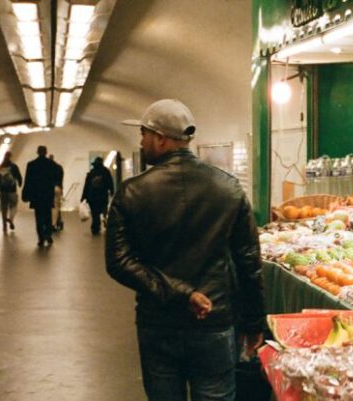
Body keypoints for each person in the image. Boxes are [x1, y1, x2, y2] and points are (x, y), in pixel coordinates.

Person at [106, 99, 265, 401]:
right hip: (215, 322)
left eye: (144, 134)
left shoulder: (132, 192)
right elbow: (249, 263)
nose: (141, 142)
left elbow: (118, 261)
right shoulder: (229, 188)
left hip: (158, 322)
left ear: (161, 139)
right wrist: (254, 323)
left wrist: (179, 292)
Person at [22, 145, 59, 247]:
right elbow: (57, 175)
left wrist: (25, 194)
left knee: (38, 217)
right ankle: (48, 234)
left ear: (37, 152)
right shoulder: (51, 164)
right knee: (47, 216)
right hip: (47, 194)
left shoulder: (31, 165)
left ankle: (41, 238)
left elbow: (28, 181)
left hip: (36, 195)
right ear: (46, 152)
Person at [81, 157, 114, 234]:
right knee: (103, 210)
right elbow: (110, 183)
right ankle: (104, 218)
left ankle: (95, 227)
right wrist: (112, 192)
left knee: (95, 213)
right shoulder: (106, 172)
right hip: (103, 196)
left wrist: (83, 197)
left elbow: (86, 186)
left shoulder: (91, 173)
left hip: (92, 197)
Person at [0, 151, 22, 232]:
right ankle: (11, 219)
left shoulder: (0, 167)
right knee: (13, 206)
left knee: (4, 208)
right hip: (12, 190)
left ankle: (4, 225)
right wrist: (20, 183)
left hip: (3, 191)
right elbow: (19, 176)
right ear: (10, 157)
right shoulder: (14, 166)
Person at [49, 154, 65, 232]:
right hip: (58, 188)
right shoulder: (59, 167)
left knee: (49, 206)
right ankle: (55, 223)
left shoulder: (46, 168)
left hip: (49, 188)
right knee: (56, 206)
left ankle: (52, 223)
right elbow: (61, 179)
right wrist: (62, 190)